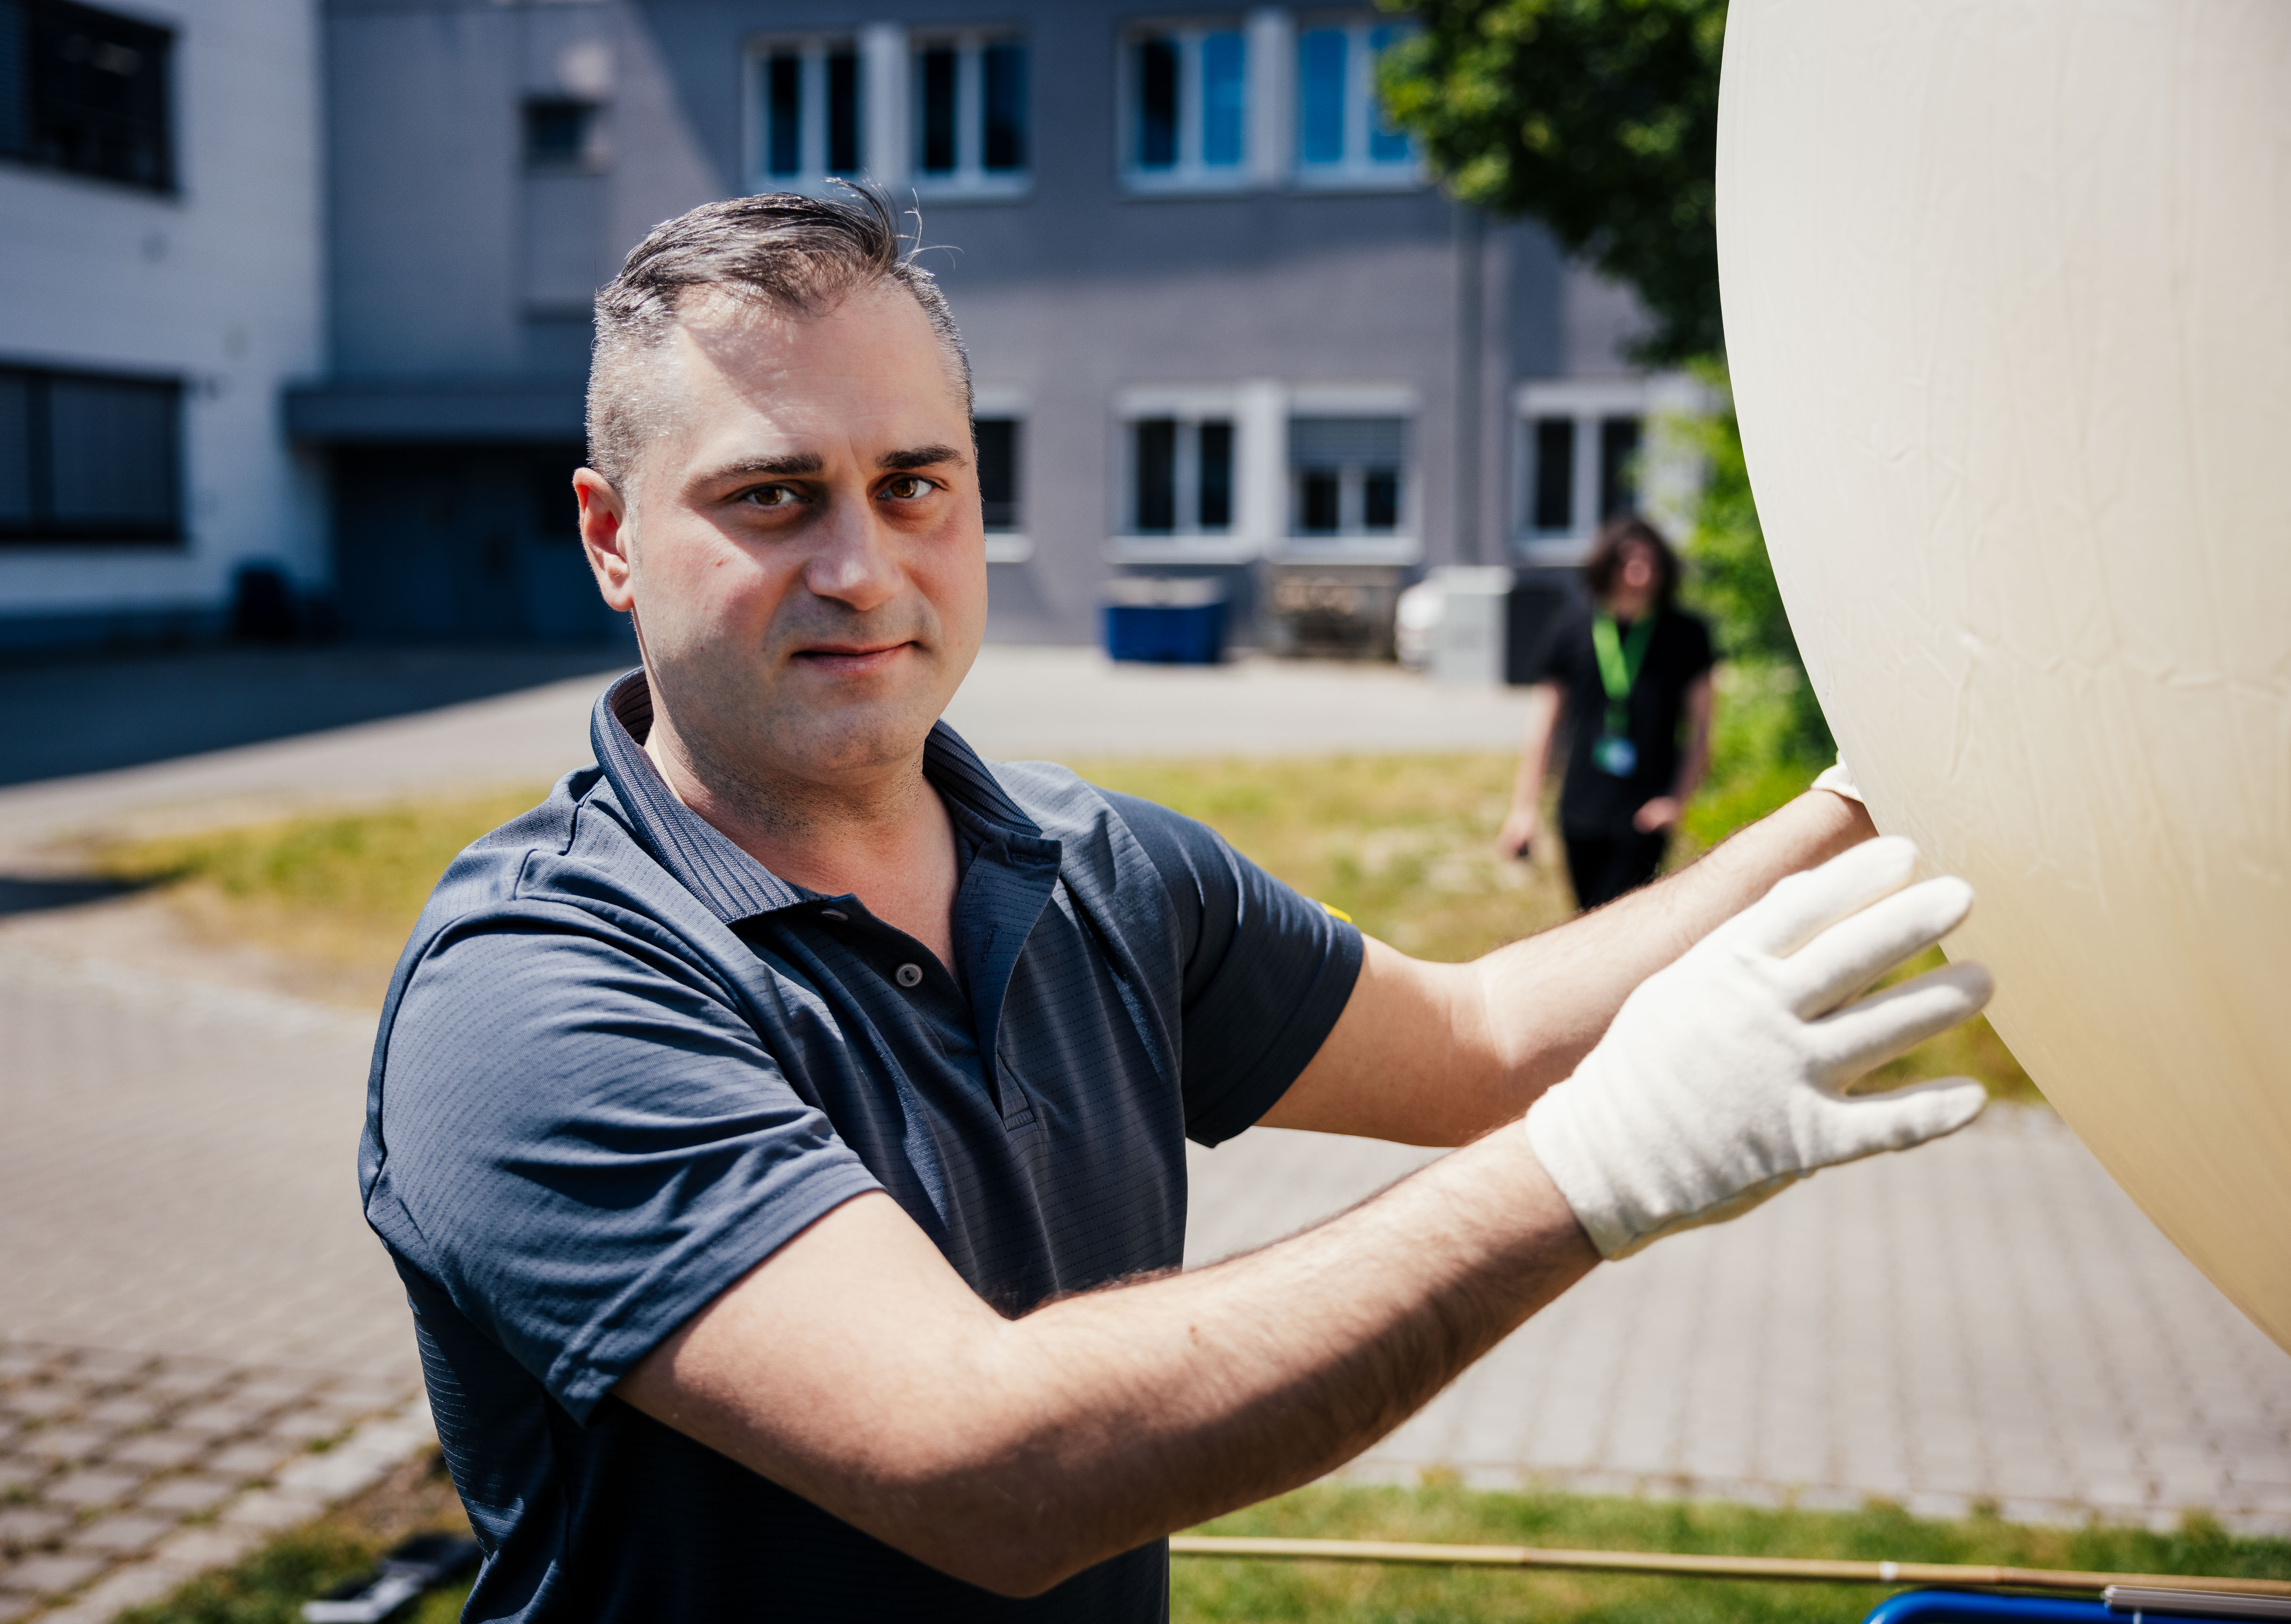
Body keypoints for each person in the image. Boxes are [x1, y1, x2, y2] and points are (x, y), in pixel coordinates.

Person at [358, 192, 1993, 1622]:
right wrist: (1599, 1171)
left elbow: (1482, 1041)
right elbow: (982, 1464)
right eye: (773, 497)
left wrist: (1868, 797)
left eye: (917, 483)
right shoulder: (531, 991)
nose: (863, 566)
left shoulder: (1102, 867)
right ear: (609, 538)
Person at [1498, 517, 1717, 910]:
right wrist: (1524, 808)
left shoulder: (1685, 634)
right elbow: (1544, 724)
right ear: (1606, 566)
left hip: (1645, 810)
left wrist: (1676, 800)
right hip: (1580, 807)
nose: (1639, 573)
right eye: (1628, 562)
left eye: (1650, 562)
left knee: (1627, 924)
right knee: (1588, 918)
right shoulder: (1574, 628)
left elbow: (1702, 728)